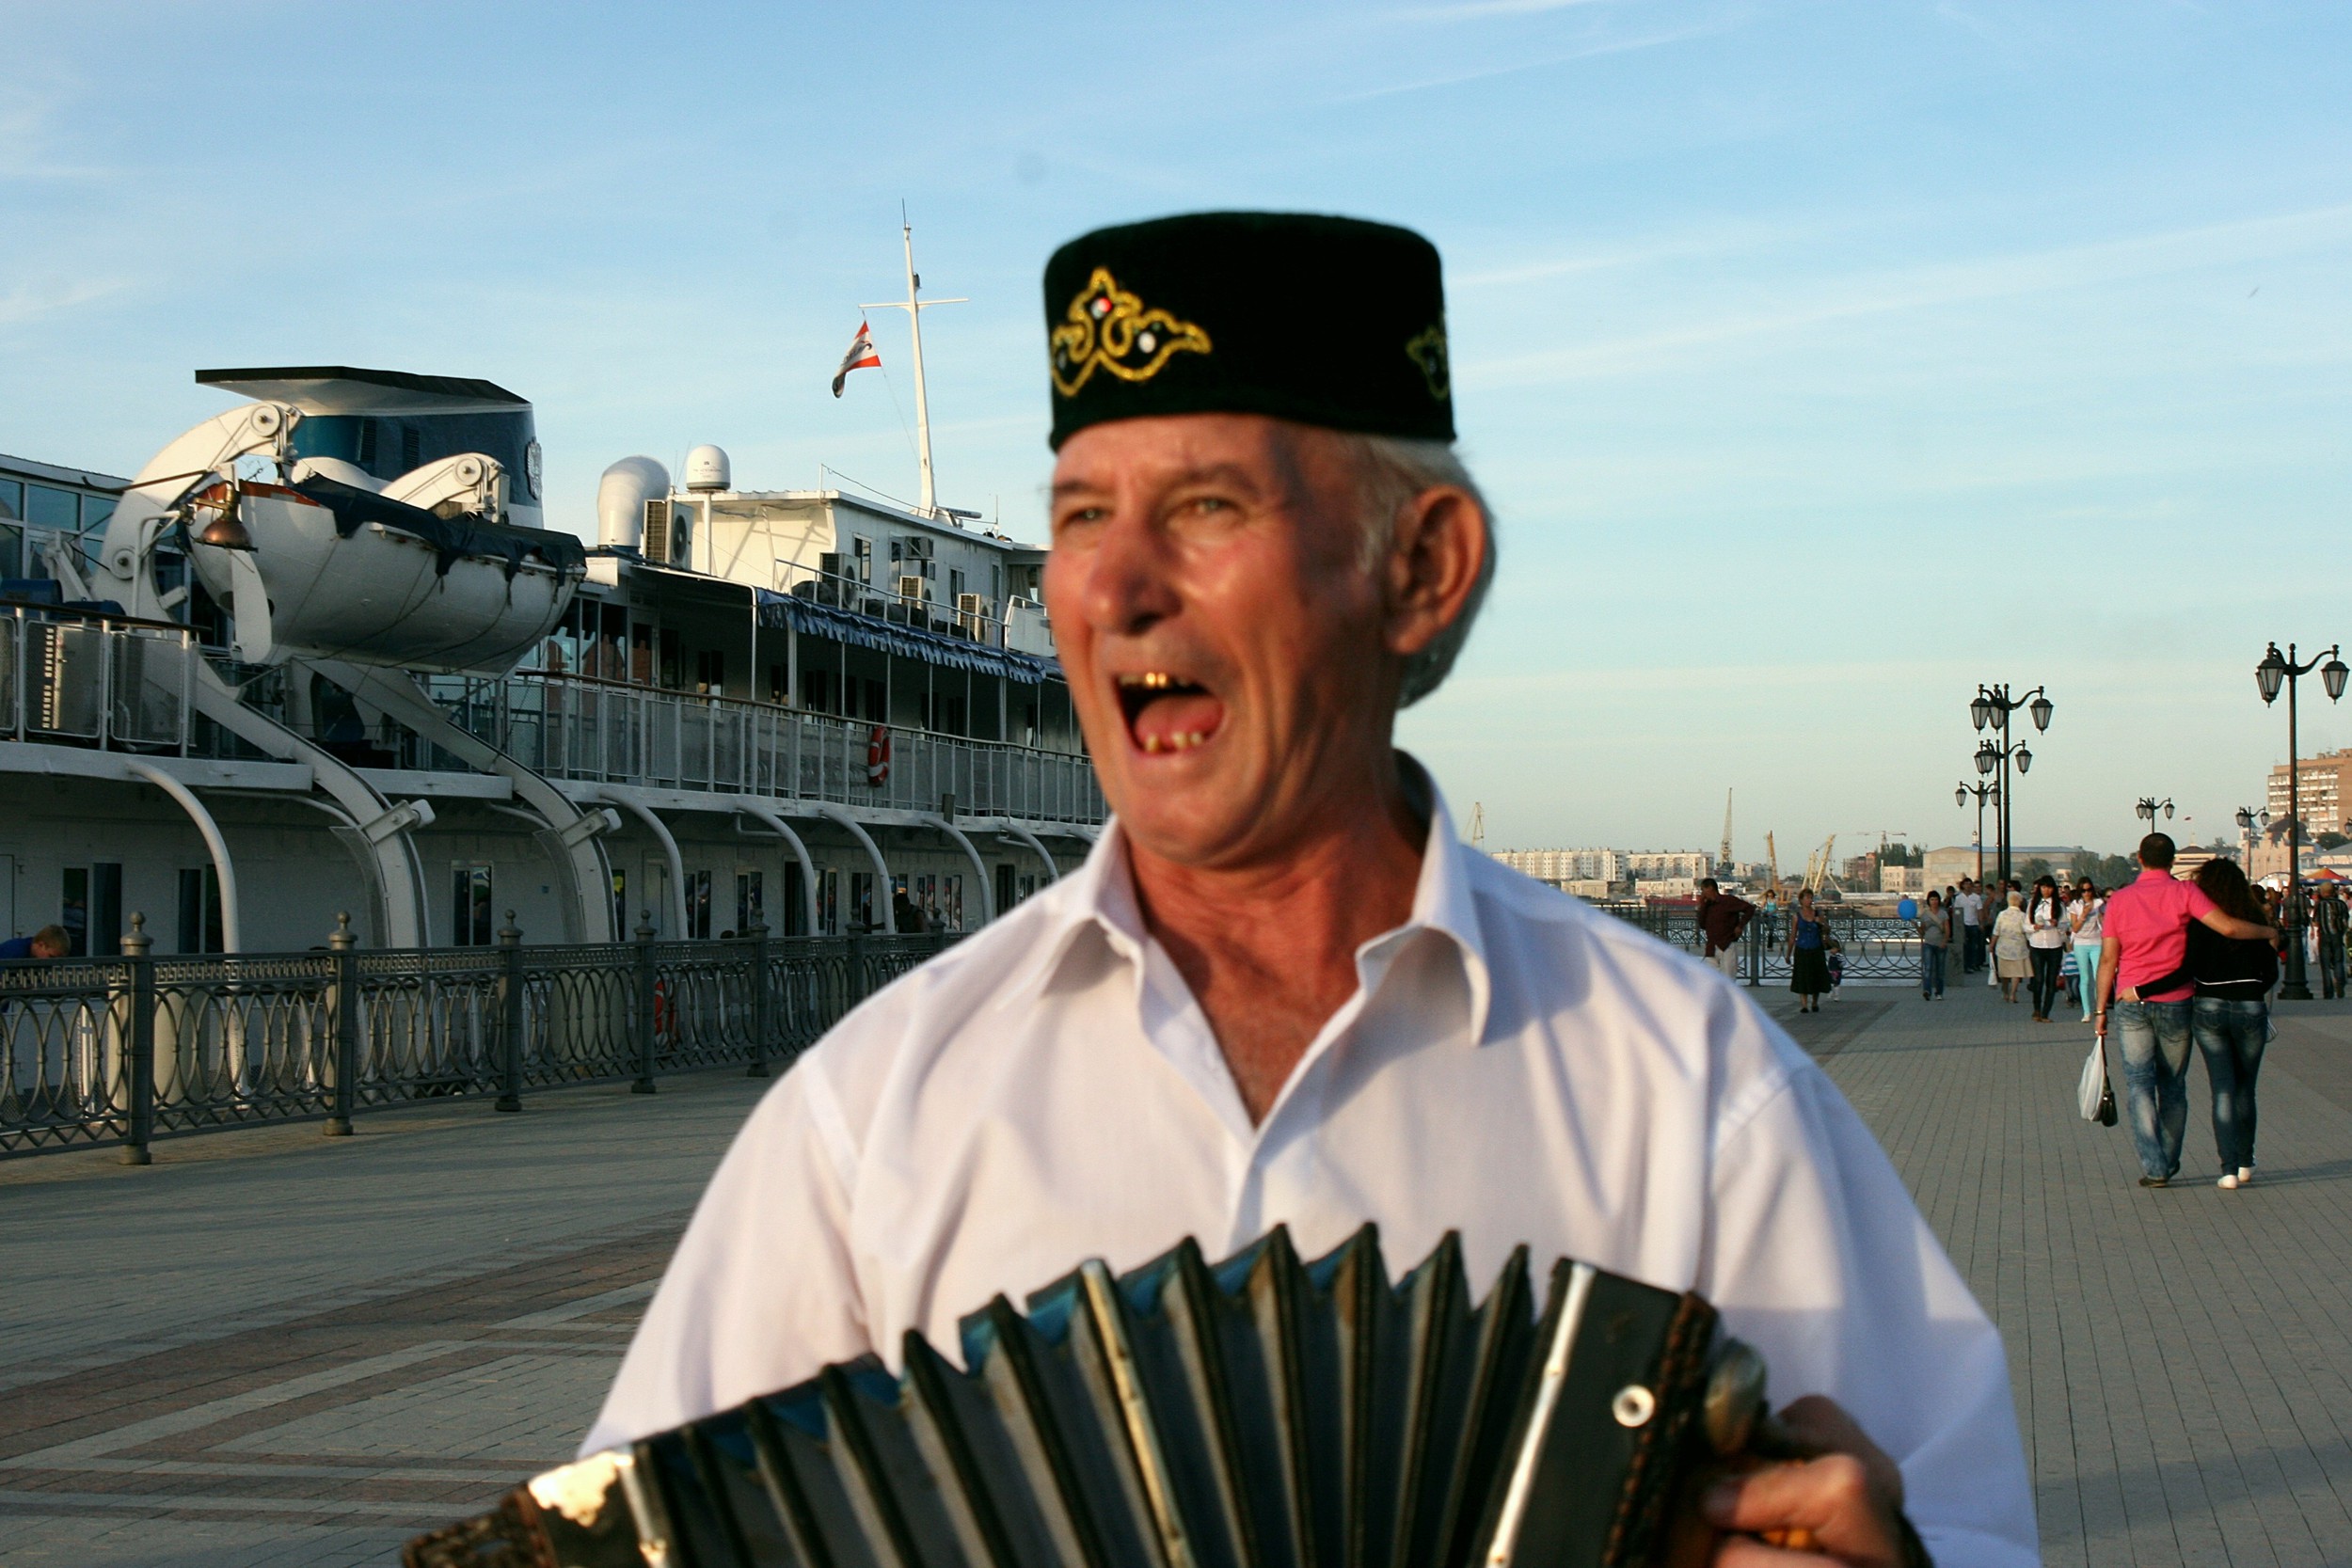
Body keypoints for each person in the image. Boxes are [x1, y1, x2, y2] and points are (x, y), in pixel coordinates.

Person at [586, 211, 2033, 1566]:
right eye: (1080, 518)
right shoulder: (873, 1122)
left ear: (1421, 567)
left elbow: (1964, 1515)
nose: (1115, 587)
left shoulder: (1698, 1098)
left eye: (1206, 505)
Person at [2093, 832, 2279, 1188]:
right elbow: (2226, 927)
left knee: (2138, 1085)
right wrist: (2267, 930)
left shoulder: (2120, 900)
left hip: (2131, 1001)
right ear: (2173, 860)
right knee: (2174, 1085)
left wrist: (2101, 1009)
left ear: (2140, 858)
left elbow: (2107, 959)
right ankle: (2174, 1155)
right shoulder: (2185, 893)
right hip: (2177, 1000)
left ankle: (2155, 1165)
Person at [2183, 858, 2277, 1191]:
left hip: (2209, 1005)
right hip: (2250, 1005)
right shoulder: (2254, 920)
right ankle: (2246, 1159)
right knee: (2245, 1087)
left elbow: (2188, 964)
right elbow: (2271, 973)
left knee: (2222, 1088)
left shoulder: (2198, 922)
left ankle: (2228, 1169)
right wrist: (2252, 991)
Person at [1693, 876, 1756, 980]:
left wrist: (1740, 926)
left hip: (1727, 945)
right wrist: (1702, 906)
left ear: (1710, 888)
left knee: (1728, 979)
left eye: (1703, 890)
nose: (1703, 893)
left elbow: (1749, 909)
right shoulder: (1707, 906)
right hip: (1711, 947)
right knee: (1710, 980)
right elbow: (1702, 925)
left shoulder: (1728, 901)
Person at [2025, 876, 2069, 1022]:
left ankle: (2045, 1012)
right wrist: (2033, 927)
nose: (2046, 890)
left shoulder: (2059, 905)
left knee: (2051, 981)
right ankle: (2036, 1009)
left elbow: (2065, 925)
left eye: (2049, 887)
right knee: (2038, 979)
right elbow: (2025, 925)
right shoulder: (2032, 903)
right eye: (2043, 887)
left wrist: (2057, 923)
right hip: (2037, 945)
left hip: (2054, 945)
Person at [1786, 886, 1834, 1013]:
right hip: (1802, 949)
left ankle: (1815, 1002)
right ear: (1801, 900)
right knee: (1802, 976)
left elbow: (1827, 929)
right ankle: (1804, 1004)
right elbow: (1793, 936)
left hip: (1816, 948)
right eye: (1807, 897)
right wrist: (1788, 954)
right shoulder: (1797, 916)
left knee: (1816, 975)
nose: (1809, 900)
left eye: (1811, 897)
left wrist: (1820, 923)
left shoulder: (1818, 914)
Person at [2068, 879, 2104, 1022]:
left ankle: (2098, 1008)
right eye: (2083, 891)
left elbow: (2103, 922)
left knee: (2097, 977)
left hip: (2096, 942)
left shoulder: (2098, 903)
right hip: (2081, 943)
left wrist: (2100, 914)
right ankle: (2086, 1011)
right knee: (2085, 978)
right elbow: (2074, 928)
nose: (2087, 893)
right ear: (2079, 892)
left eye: (2089, 890)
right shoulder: (2075, 905)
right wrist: (2084, 914)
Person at [1990, 890, 2031, 1004]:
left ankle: (2005, 992)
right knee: (2016, 973)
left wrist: (1991, 945)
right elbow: (2027, 932)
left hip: (2003, 947)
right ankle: (2013, 993)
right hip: (2019, 947)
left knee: (2004, 973)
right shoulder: (2023, 916)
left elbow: (1996, 931)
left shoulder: (2002, 915)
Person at [2313, 879, 2347, 1000]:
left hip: (2324, 936)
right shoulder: (2341, 904)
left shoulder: (2320, 904)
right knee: (2338, 961)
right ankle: (2340, 982)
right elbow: (2345, 921)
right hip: (2337, 936)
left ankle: (2328, 991)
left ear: (2322, 892)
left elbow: (2315, 921)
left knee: (2325, 965)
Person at [1917, 890, 1950, 1000]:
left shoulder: (1943, 913)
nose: (1934, 902)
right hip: (1928, 944)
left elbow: (1947, 929)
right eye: (1932, 899)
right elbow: (1922, 932)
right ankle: (1927, 990)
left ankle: (1939, 992)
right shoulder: (1925, 915)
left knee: (1940, 970)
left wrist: (1944, 941)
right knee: (1928, 968)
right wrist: (1916, 926)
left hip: (1940, 944)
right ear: (1929, 901)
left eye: (1936, 899)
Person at [1955, 879, 1986, 972]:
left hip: (1974, 924)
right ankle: (1964, 965)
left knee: (1973, 945)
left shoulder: (1976, 897)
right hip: (1963, 924)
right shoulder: (1959, 898)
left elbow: (1979, 911)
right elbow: (1957, 912)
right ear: (1963, 885)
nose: (1968, 886)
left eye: (1969, 884)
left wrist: (1981, 923)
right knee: (1964, 945)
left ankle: (1972, 964)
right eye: (1966, 884)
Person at [0, 926, 69, 961]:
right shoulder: (13, 950)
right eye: (51, 956)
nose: (52, 962)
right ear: (41, 945)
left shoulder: (39, 959)